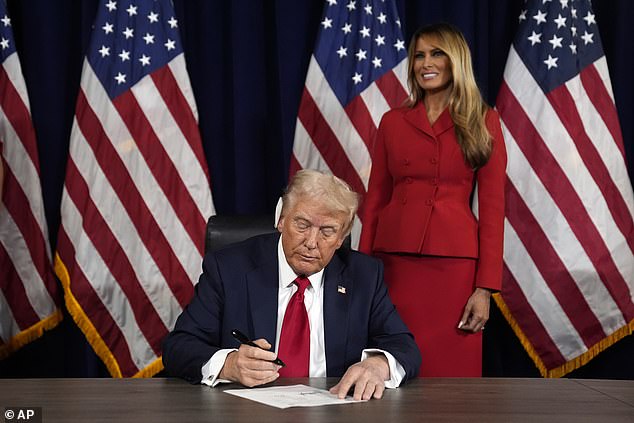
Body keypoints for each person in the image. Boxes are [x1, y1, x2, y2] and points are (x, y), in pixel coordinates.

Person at [163, 170, 421, 400]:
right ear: (281, 219)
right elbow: (179, 347)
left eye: (327, 231)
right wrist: (229, 364)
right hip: (246, 413)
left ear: (341, 237)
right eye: (302, 224)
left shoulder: (363, 276)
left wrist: (378, 365)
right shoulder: (229, 268)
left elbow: (404, 346)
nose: (311, 242)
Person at [359, 23, 507, 377]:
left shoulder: (483, 120)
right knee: (390, 367)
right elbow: (376, 199)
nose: (426, 62)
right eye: (419, 55)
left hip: (454, 268)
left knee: (452, 372)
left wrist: (484, 288)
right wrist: (363, 271)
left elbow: (492, 209)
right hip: (393, 264)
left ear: (455, 61)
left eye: (437, 53)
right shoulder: (392, 122)